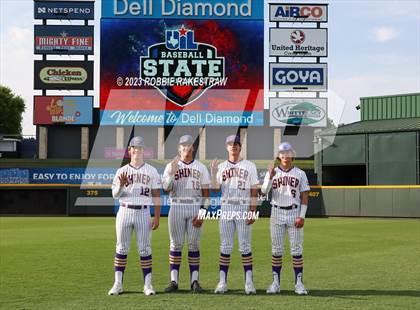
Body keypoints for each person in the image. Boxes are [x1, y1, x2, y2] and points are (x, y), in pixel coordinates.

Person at [108, 136, 161, 296]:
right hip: (124, 210)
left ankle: (148, 284)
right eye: (134, 148)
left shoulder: (151, 170)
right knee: (122, 248)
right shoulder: (121, 171)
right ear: (129, 150)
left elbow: (157, 195)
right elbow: (115, 195)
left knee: (144, 249)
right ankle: (118, 284)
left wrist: (157, 216)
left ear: (143, 150)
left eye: (140, 148)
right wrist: (121, 185)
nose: (137, 150)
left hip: (144, 212)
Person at [210, 134, 259, 295]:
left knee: (245, 246)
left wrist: (253, 211)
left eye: (236, 144)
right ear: (226, 147)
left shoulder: (249, 166)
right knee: (225, 246)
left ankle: (249, 282)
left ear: (240, 147)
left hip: (243, 208)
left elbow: (254, 190)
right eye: (231, 144)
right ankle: (222, 282)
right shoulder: (222, 166)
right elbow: (215, 189)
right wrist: (213, 172)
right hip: (226, 208)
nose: (234, 146)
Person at [162, 135, 210, 293]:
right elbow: (166, 188)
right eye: (183, 145)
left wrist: (203, 213)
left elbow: (206, 194)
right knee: (175, 244)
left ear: (193, 148)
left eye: (189, 145)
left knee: (194, 245)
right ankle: (174, 281)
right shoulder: (171, 165)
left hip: (195, 207)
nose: (186, 148)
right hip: (176, 207)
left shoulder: (201, 167)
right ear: (179, 148)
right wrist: (171, 173)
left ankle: (194, 281)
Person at [261, 142, 310, 295]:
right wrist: (269, 177)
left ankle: (299, 283)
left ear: (292, 155)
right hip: (276, 212)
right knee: (276, 250)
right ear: (278, 156)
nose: (284, 155)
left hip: (294, 212)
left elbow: (304, 195)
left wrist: (302, 216)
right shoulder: (272, 172)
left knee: (296, 250)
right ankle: (276, 283)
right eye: (282, 153)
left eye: (287, 152)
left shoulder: (300, 173)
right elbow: (263, 192)